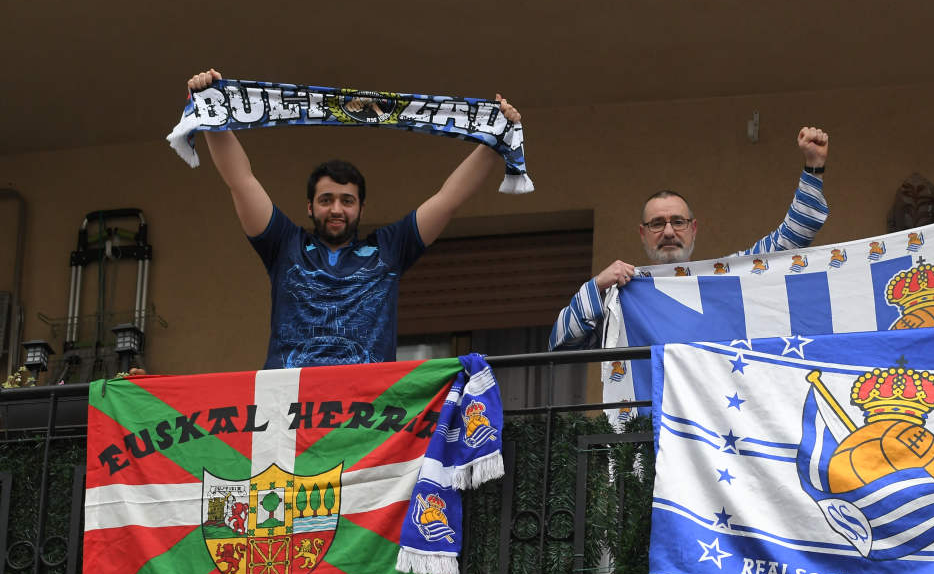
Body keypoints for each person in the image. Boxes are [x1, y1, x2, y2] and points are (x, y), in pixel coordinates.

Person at [185, 68, 521, 369]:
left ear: (361, 208)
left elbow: (448, 199)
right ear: (310, 207)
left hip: (366, 408)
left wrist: (493, 141)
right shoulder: (284, 244)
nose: (336, 210)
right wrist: (210, 110)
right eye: (326, 200)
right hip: (288, 408)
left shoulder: (389, 249)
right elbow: (241, 181)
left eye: (347, 201)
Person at [548, 126, 830, 349]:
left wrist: (814, 167)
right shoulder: (620, 297)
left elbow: (791, 237)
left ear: (693, 229)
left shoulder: (725, 279)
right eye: (657, 224)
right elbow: (560, 344)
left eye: (678, 222)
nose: (669, 232)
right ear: (643, 234)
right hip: (644, 422)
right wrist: (597, 286)